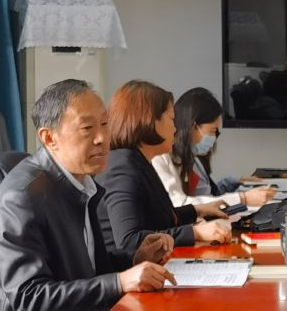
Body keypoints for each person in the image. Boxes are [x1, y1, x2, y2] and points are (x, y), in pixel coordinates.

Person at [0, 78, 175, 311]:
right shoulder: (22, 197)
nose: (102, 138)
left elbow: (82, 269)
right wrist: (119, 282)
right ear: (50, 138)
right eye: (87, 128)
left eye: (105, 125)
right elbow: (29, 297)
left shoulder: (79, 182)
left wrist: (133, 260)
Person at [100, 79, 234, 256]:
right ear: (150, 121)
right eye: (171, 119)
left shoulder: (139, 161)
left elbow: (159, 219)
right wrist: (195, 232)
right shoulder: (122, 169)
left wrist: (198, 210)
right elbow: (129, 241)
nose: (176, 128)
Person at [156, 86, 277, 216]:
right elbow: (181, 204)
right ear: (193, 125)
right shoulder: (162, 157)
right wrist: (242, 198)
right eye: (212, 131)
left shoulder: (192, 157)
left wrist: (235, 183)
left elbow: (209, 194)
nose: (214, 138)